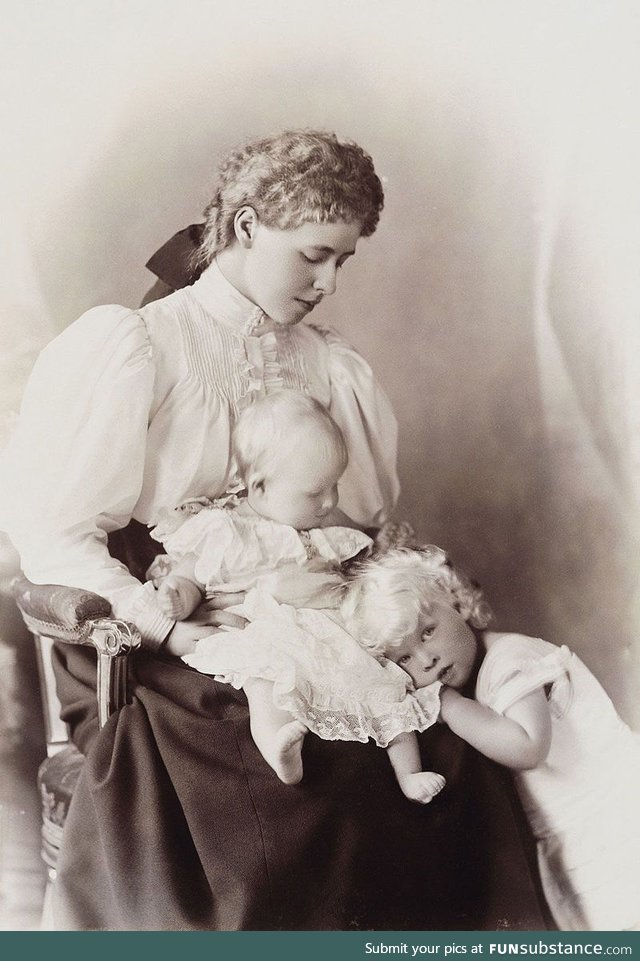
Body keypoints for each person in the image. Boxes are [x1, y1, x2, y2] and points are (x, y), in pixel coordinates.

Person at [1, 129, 546, 930]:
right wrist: (172, 630)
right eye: (313, 254)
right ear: (248, 226)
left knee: (432, 728)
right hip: (164, 639)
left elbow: (361, 524)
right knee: (265, 769)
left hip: (315, 613)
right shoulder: (139, 344)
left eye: (343, 262)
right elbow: (57, 536)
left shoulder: (328, 364)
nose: (327, 282)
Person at [156, 390, 443, 798]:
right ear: (260, 488)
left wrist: (381, 561)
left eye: (334, 487)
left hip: (333, 631)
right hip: (269, 630)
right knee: (265, 680)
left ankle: (409, 775)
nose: (329, 502)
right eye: (315, 493)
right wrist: (178, 597)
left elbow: (355, 571)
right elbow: (191, 576)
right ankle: (278, 749)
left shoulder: (327, 531)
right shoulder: (227, 530)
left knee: (385, 684)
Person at [344, 546, 640, 932]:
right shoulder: (482, 675)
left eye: (427, 632)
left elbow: (528, 747)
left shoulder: (509, 658)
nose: (426, 660)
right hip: (577, 837)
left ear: (457, 602)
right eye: (405, 659)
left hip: (616, 819)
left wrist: (447, 705)